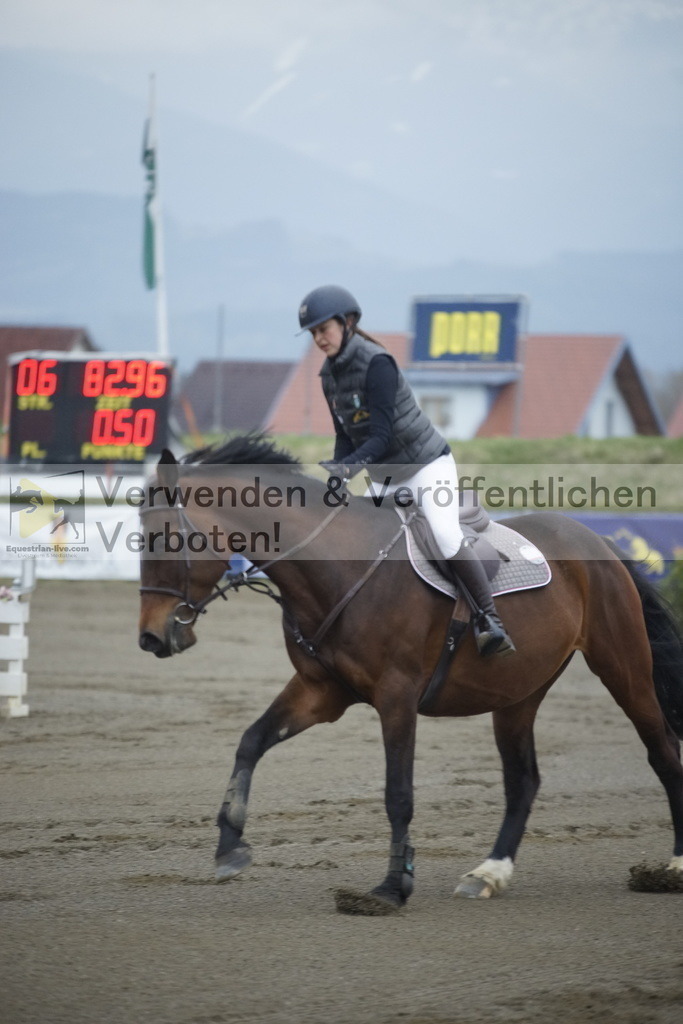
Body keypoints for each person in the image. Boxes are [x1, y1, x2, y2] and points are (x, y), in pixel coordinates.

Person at [298, 284, 515, 657]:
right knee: (359, 534)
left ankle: (488, 619)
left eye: (324, 329)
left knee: (445, 535)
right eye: (313, 333)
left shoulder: (377, 363)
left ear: (348, 323)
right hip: (386, 473)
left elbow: (381, 436)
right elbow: (345, 437)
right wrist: (339, 476)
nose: (319, 338)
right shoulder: (328, 377)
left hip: (426, 466)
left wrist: (349, 467)